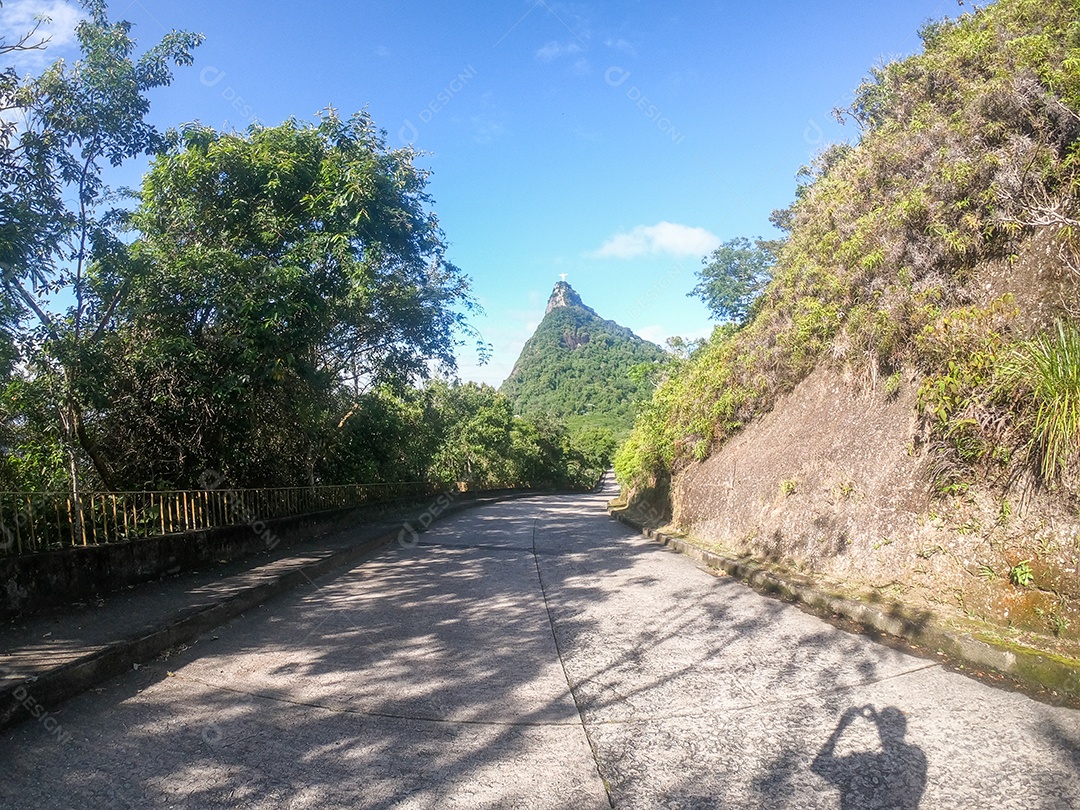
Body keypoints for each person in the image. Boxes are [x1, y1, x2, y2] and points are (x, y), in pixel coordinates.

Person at [811, 705, 928, 809]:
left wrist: (842, 726)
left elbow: (819, 765)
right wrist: (879, 723)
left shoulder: (864, 763)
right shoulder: (916, 756)